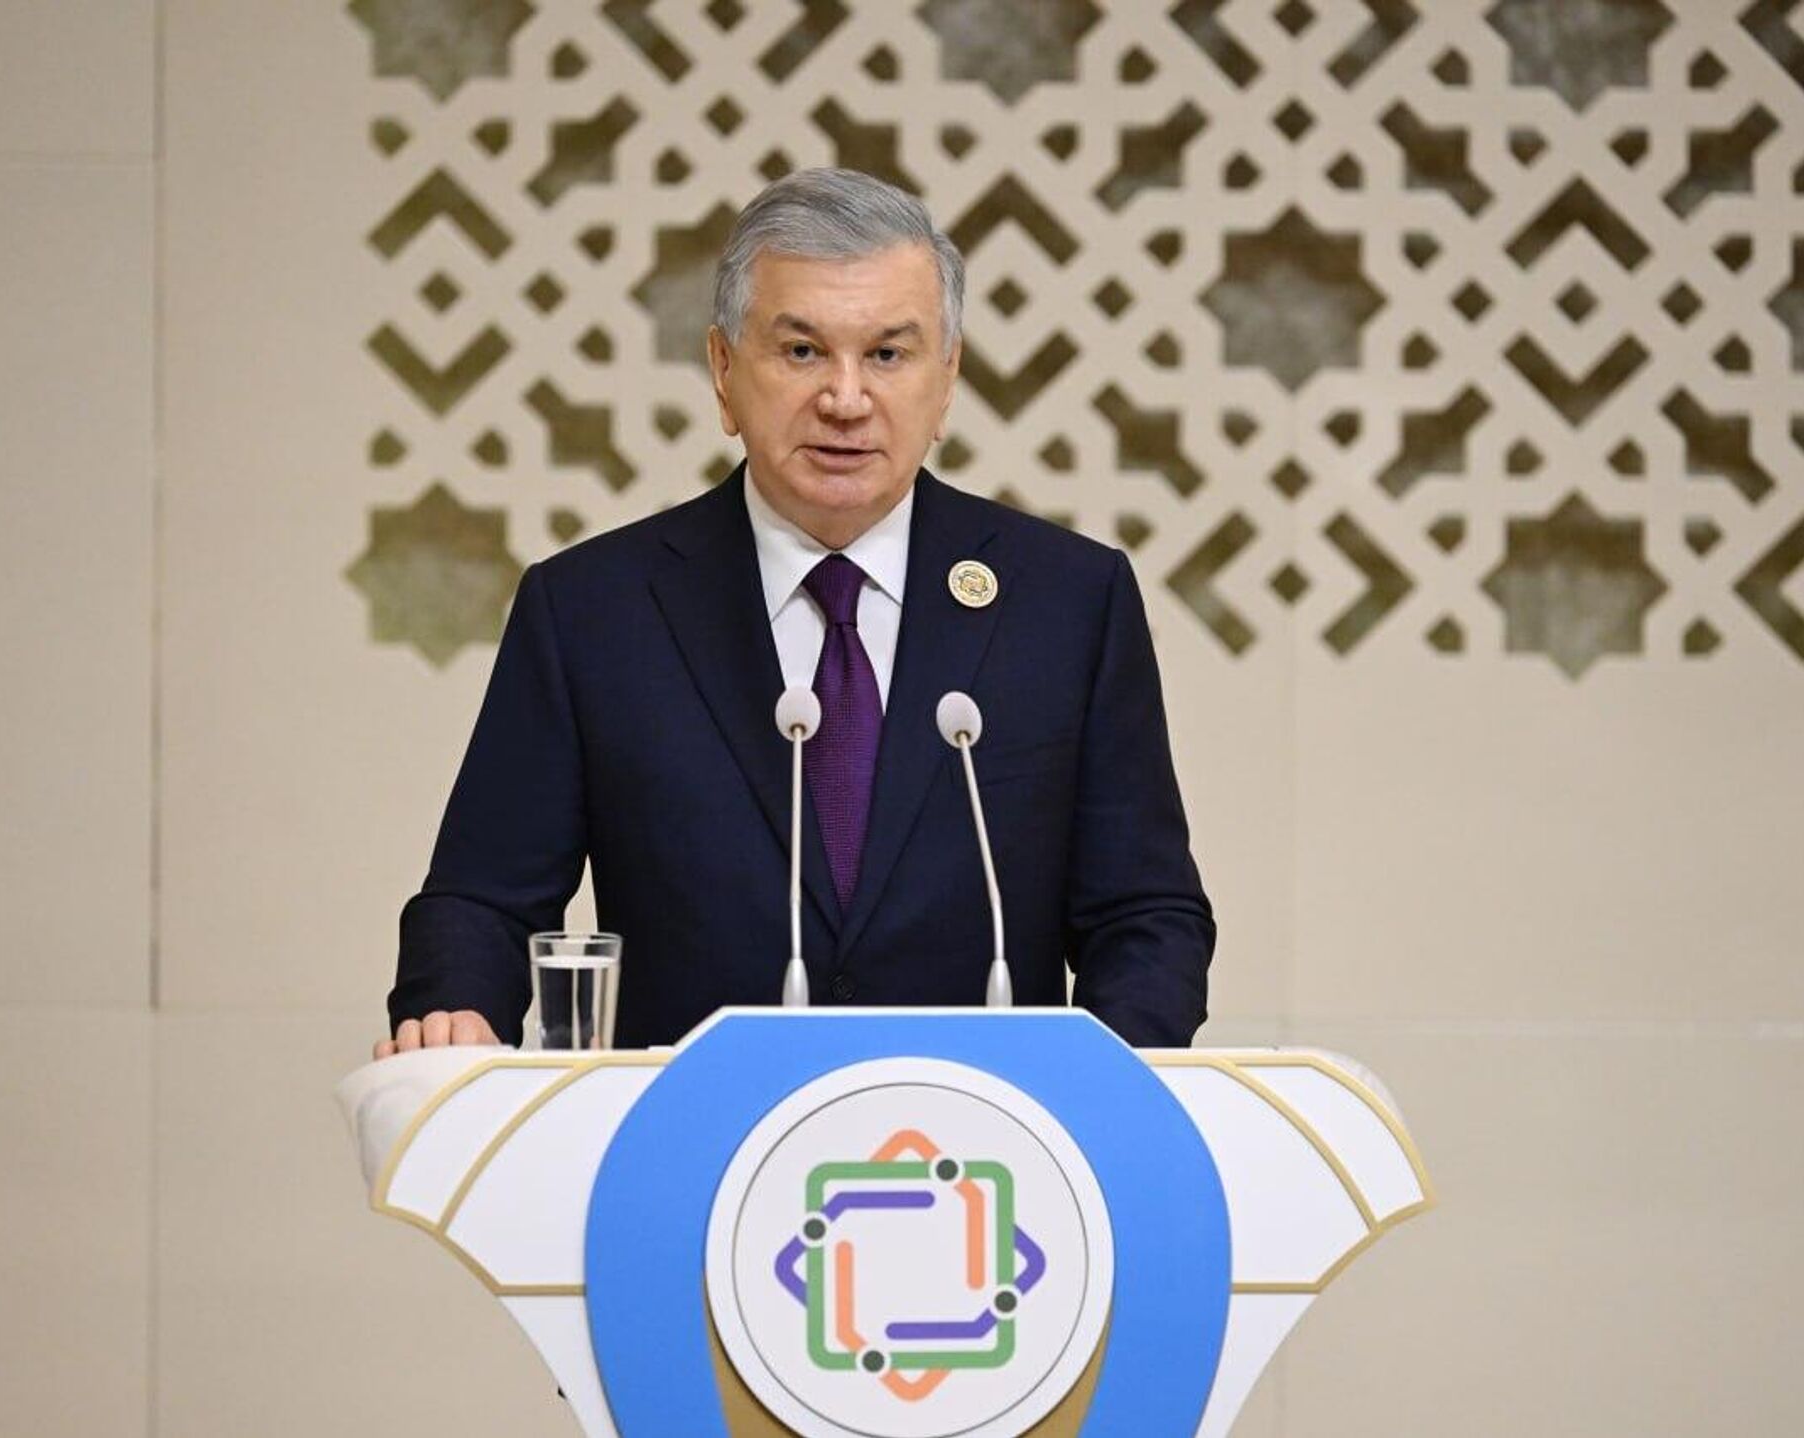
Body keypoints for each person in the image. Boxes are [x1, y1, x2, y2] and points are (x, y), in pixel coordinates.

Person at [375, 168, 1213, 1060]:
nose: (846, 400)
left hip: (984, 1134)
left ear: (947, 379)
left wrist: (1096, 1090)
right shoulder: (592, 610)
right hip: (693, 1131)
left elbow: (1146, 915)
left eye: (887, 355)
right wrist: (456, 1007)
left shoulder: (1069, 603)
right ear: (723, 370)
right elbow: (481, 900)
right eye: (804, 352)